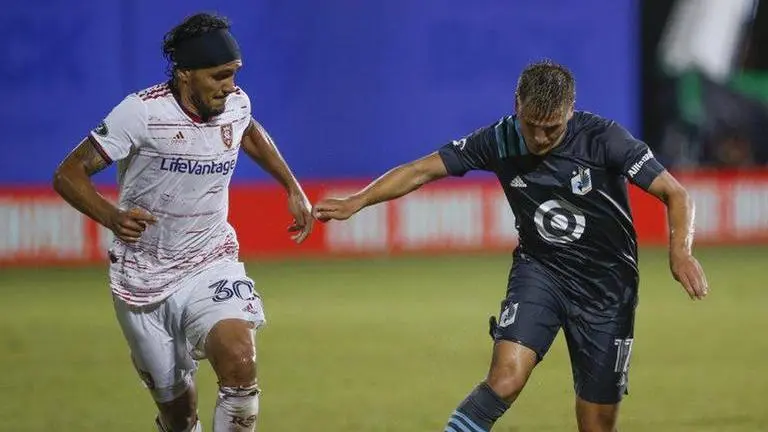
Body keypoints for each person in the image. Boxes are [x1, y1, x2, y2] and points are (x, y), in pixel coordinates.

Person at [313, 60, 709, 432]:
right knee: (505, 378)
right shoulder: (499, 139)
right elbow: (421, 170)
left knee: (597, 423)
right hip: (542, 272)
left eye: (551, 128)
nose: (538, 137)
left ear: (571, 110)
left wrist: (680, 251)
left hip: (607, 287)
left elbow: (676, 194)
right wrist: (357, 201)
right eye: (530, 124)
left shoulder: (605, 139)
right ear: (515, 105)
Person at [52, 12, 313, 432]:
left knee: (241, 364)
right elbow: (68, 173)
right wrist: (112, 217)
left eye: (233, 75)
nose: (229, 87)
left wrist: (292, 186)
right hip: (142, 278)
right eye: (218, 77)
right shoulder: (141, 113)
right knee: (179, 413)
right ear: (185, 73)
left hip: (210, 260)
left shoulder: (235, 104)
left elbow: (247, 131)